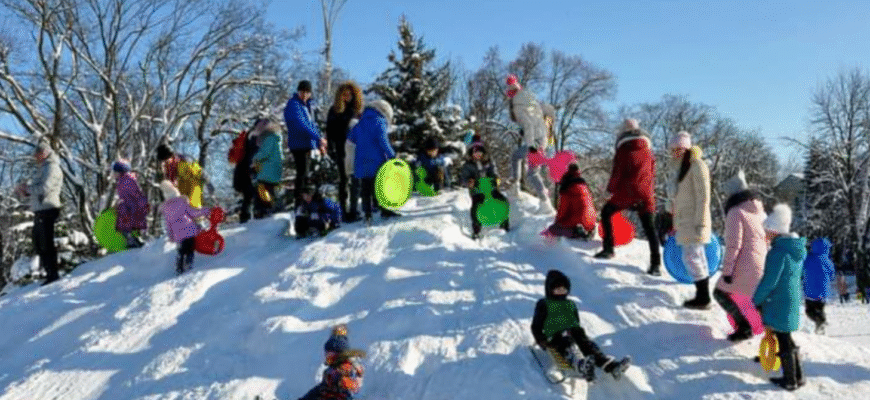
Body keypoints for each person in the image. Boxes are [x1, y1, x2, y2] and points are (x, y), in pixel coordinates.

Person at [531, 270, 631, 381]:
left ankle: (611, 366)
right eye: (557, 288)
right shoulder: (544, 303)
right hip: (556, 336)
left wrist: (577, 332)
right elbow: (536, 325)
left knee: (588, 345)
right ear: (549, 289)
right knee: (568, 345)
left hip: (574, 332)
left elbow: (575, 320)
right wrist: (541, 340)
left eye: (563, 288)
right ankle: (580, 365)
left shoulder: (571, 304)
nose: (561, 291)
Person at [595, 119, 661, 276]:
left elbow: (617, 174)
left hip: (627, 192)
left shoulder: (623, 150)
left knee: (606, 212)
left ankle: (608, 249)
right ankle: (655, 265)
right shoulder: (649, 152)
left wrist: (610, 190)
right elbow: (652, 173)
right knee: (650, 229)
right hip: (646, 193)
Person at [753, 204, 807, 391]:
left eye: (766, 231)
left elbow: (769, 282)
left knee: (784, 341)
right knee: (788, 339)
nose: (765, 235)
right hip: (791, 301)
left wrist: (756, 300)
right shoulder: (794, 250)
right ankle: (798, 376)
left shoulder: (778, 253)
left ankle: (790, 380)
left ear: (774, 231)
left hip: (779, 303)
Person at [713, 170, 768, 342]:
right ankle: (758, 321)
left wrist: (727, 272)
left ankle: (745, 327)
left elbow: (733, 245)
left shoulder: (735, 212)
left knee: (720, 292)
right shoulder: (759, 210)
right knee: (743, 295)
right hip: (760, 263)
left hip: (744, 263)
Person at [667, 132, 713, 309]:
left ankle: (703, 297)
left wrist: (701, 223)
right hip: (684, 221)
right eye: (673, 149)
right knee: (696, 257)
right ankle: (703, 296)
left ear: (686, 149)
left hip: (695, 221)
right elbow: (680, 197)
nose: (675, 152)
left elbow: (704, 197)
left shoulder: (697, 165)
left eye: (679, 149)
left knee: (692, 258)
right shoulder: (679, 169)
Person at [505, 74, 554, 213]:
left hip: (535, 141)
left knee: (524, 165)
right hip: (541, 138)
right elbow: (536, 122)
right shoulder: (529, 101)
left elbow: (528, 125)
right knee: (531, 170)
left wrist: (531, 144)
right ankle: (545, 202)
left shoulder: (518, 105)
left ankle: (516, 186)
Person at [347, 99, 400, 224]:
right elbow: (383, 141)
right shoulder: (379, 121)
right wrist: (392, 155)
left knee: (366, 188)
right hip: (376, 160)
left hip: (361, 161)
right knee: (380, 187)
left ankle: (367, 215)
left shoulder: (360, 123)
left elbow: (351, 138)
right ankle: (384, 210)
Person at [21, 140, 63, 285]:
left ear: (44, 153)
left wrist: (28, 189)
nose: (35, 157)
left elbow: (45, 188)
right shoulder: (43, 168)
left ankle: (53, 275)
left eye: (37, 154)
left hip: (48, 209)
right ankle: (49, 272)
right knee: (38, 242)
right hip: (40, 210)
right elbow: (38, 188)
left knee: (46, 242)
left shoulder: (52, 168)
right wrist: (26, 191)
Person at [327, 81, 364, 221]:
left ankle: (354, 210)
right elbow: (329, 131)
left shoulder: (357, 111)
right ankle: (343, 210)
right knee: (343, 180)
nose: (347, 97)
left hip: (355, 149)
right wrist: (331, 148)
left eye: (350, 94)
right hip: (340, 148)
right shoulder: (334, 110)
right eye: (344, 94)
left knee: (356, 179)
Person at [285, 80, 326, 207]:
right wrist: (318, 138)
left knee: (306, 172)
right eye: (302, 91)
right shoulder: (294, 105)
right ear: (298, 91)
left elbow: (312, 124)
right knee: (302, 173)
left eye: (307, 92)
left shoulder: (307, 106)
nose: (304, 94)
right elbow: (301, 124)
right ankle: (299, 202)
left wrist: (320, 141)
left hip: (307, 143)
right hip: (299, 143)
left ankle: (304, 199)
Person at [298, 325, 366, 400]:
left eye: (331, 355)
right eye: (327, 354)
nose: (328, 358)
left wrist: (344, 382)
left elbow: (351, 387)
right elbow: (321, 388)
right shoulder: (331, 369)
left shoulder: (345, 368)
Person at [459, 142, 509, 240]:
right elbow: (463, 178)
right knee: (477, 207)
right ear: (471, 154)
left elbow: (494, 171)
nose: (477, 155)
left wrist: (495, 178)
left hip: (490, 187)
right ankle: (476, 229)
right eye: (475, 153)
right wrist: (469, 182)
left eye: (479, 153)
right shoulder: (468, 165)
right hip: (477, 190)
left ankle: (504, 224)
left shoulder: (489, 162)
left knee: (503, 201)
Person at [159, 181, 212, 274]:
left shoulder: (166, 208)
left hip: (178, 234)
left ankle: (179, 267)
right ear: (176, 192)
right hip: (189, 229)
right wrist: (206, 210)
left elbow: (168, 225)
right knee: (190, 249)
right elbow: (193, 213)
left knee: (181, 250)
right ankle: (188, 264)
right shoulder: (182, 202)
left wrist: (171, 236)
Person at [543, 163, 596, 239]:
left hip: (578, 222)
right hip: (591, 221)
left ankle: (577, 233)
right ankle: (589, 230)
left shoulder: (566, 188)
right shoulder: (584, 186)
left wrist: (557, 223)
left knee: (552, 230)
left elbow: (562, 210)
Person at [156, 144, 211, 209]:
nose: (164, 162)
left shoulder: (181, 165)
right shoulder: (168, 170)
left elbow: (197, 173)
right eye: (163, 161)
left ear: (170, 156)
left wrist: (207, 182)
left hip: (192, 200)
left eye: (166, 159)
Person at [230, 119, 263, 223]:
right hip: (248, 171)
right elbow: (253, 155)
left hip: (241, 172)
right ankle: (258, 216)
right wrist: (255, 171)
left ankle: (245, 218)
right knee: (255, 193)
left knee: (247, 197)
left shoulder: (247, 136)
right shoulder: (255, 136)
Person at [251, 120, 284, 219]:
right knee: (269, 189)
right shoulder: (275, 138)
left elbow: (265, 152)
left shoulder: (269, 138)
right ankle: (270, 208)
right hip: (273, 169)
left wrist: (255, 158)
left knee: (262, 189)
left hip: (268, 169)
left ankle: (265, 209)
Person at [112, 160, 148, 249]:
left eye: (115, 172)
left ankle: (133, 242)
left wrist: (131, 206)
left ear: (120, 172)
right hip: (129, 206)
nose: (114, 174)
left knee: (128, 225)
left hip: (131, 207)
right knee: (126, 226)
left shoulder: (126, 180)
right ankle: (132, 241)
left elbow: (134, 195)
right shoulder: (123, 180)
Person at [803, 238, 835, 334]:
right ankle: (820, 325)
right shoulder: (828, 261)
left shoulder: (808, 259)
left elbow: (801, 270)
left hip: (810, 291)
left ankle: (820, 322)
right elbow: (832, 275)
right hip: (823, 292)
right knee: (820, 309)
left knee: (809, 311)